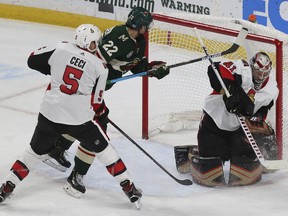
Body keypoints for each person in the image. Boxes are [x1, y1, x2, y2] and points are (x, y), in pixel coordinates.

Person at [0, 24, 142, 207]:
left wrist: (54, 69)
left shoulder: (60, 47)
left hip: (48, 115)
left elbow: (32, 60)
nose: (96, 46)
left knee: (32, 153)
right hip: (78, 121)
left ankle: (6, 188)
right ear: (88, 42)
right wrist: (102, 113)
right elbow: (97, 102)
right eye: (94, 43)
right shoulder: (100, 67)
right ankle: (129, 188)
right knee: (105, 152)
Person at [43, 7, 170, 196]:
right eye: (146, 25)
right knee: (95, 127)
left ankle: (57, 149)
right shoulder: (118, 37)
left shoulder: (140, 40)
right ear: (138, 24)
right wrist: (97, 82)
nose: (148, 28)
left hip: (100, 88)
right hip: (89, 88)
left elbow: (137, 67)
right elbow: (92, 61)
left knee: (83, 122)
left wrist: (153, 69)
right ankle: (75, 175)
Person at [190, 52, 279, 187]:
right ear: (251, 66)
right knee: (211, 161)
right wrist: (233, 90)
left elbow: (263, 110)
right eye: (258, 71)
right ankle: (195, 153)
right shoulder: (242, 69)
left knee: (243, 159)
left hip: (238, 129)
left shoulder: (272, 88)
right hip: (214, 122)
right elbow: (215, 69)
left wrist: (256, 118)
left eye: (264, 73)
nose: (260, 76)